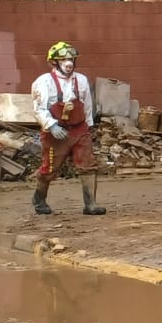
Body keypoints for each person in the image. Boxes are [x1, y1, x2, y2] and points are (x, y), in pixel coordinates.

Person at [31, 42, 105, 217]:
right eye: (63, 59)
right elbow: (38, 109)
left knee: (88, 166)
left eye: (71, 59)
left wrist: (89, 125)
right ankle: (39, 199)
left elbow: (87, 104)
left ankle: (90, 205)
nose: (68, 63)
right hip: (55, 133)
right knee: (49, 168)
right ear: (54, 62)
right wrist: (51, 125)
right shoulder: (44, 82)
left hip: (79, 130)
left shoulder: (81, 80)